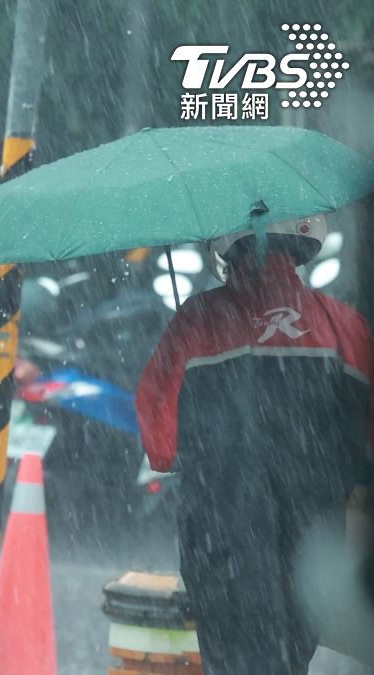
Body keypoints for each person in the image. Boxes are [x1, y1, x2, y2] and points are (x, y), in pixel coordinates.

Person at [136, 214, 373, 673]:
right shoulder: (343, 325)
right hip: (312, 546)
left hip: (219, 536)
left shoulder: (196, 321)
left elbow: (160, 445)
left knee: (238, 660)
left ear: (228, 246)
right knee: (287, 659)